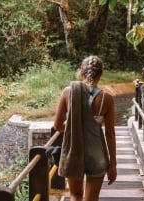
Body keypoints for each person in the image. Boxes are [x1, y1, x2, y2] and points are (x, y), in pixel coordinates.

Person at [52, 55, 117, 201]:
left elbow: (57, 126)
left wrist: (73, 126)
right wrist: (113, 163)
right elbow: (110, 134)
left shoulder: (68, 93)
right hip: (97, 155)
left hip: (74, 153)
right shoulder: (107, 98)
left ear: (81, 72)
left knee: (75, 196)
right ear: (100, 74)